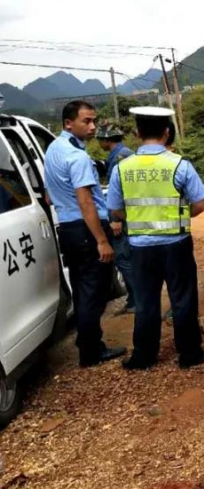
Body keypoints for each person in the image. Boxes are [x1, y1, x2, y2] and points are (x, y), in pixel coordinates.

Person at [106, 107, 204, 370]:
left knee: (145, 301)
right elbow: (199, 205)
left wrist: (139, 216)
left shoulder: (122, 168)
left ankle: (144, 356)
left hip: (141, 247)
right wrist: (176, 215)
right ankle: (189, 354)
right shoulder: (179, 164)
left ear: (136, 133)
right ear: (167, 132)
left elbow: (116, 209)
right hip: (176, 244)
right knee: (183, 299)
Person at [44, 101, 126, 367]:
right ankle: (91, 351)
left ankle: (86, 343)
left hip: (69, 229)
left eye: (94, 121)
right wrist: (101, 240)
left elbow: (48, 195)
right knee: (95, 291)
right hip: (86, 228)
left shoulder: (54, 149)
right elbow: (86, 201)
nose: (92, 127)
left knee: (82, 289)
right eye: (86, 121)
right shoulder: (77, 157)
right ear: (69, 123)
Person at [96, 123, 136, 314]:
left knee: (123, 258)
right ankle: (135, 298)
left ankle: (136, 299)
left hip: (123, 216)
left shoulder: (120, 157)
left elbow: (117, 191)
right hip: (131, 214)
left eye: (100, 139)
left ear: (106, 139)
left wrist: (115, 219)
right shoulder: (125, 153)